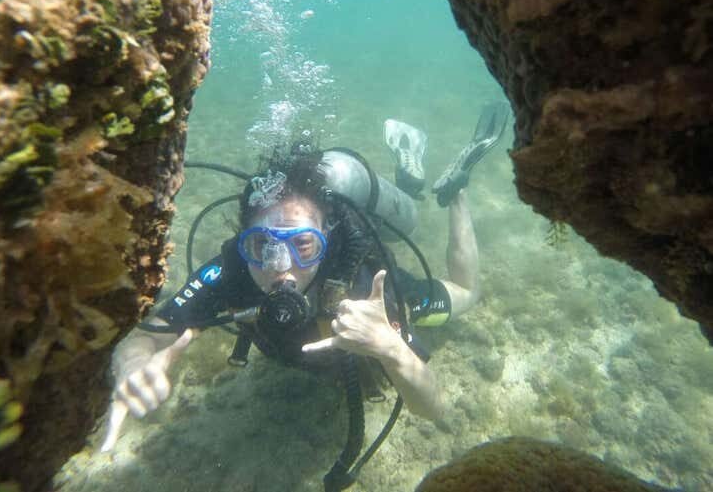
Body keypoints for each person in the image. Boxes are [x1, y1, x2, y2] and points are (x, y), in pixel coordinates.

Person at [100, 102, 510, 460]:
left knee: (467, 294)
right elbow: (146, 336)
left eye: (304, 245)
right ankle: (409, 179)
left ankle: (455, 190)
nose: (283, 268)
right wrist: (133, 367)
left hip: (374, 287)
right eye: (262, 244)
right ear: (243, 240)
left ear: (326, 239)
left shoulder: (366, 288)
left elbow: (434, 408)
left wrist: (391, 348)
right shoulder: (231, 270)